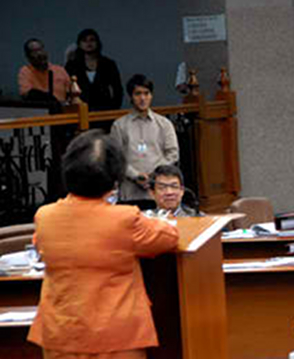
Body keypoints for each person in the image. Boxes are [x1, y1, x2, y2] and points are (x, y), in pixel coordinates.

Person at [27, 129, 179, 358]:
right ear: (114, 179)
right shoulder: (125, 218)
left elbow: (39, 246)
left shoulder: (45, 216)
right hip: (115, 337)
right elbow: (168, 238)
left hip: (60, 334)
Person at [111, 74, 179, 205]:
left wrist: (155, 175)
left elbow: (173, 154)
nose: (142, 98)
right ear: (131, 96)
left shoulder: (164, 124)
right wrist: (135, 175)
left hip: (158, 191)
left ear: (151, 96)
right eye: (137, 94)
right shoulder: (119, 125)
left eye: (146, 93)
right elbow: (115, 158)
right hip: (130, 192)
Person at [65, 28, 123, 111]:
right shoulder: (72, 65)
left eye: (92, 40)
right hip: (81, 109)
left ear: (97, 43)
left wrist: (114, 107)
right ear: (79, 44)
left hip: (105, 109)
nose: (89, 43)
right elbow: (67, 89)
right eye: (84, 40)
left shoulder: (108, 64)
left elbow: (117, 89)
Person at [18, 38, 70, 103]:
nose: (39, 53)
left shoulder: (60, 70)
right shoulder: (25, 71)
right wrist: (47, 97)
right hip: (39, 110)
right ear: (28, 57)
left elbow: (71, 93)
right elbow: (26, 94)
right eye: (34, 51)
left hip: (62, 110)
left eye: (41, 49)